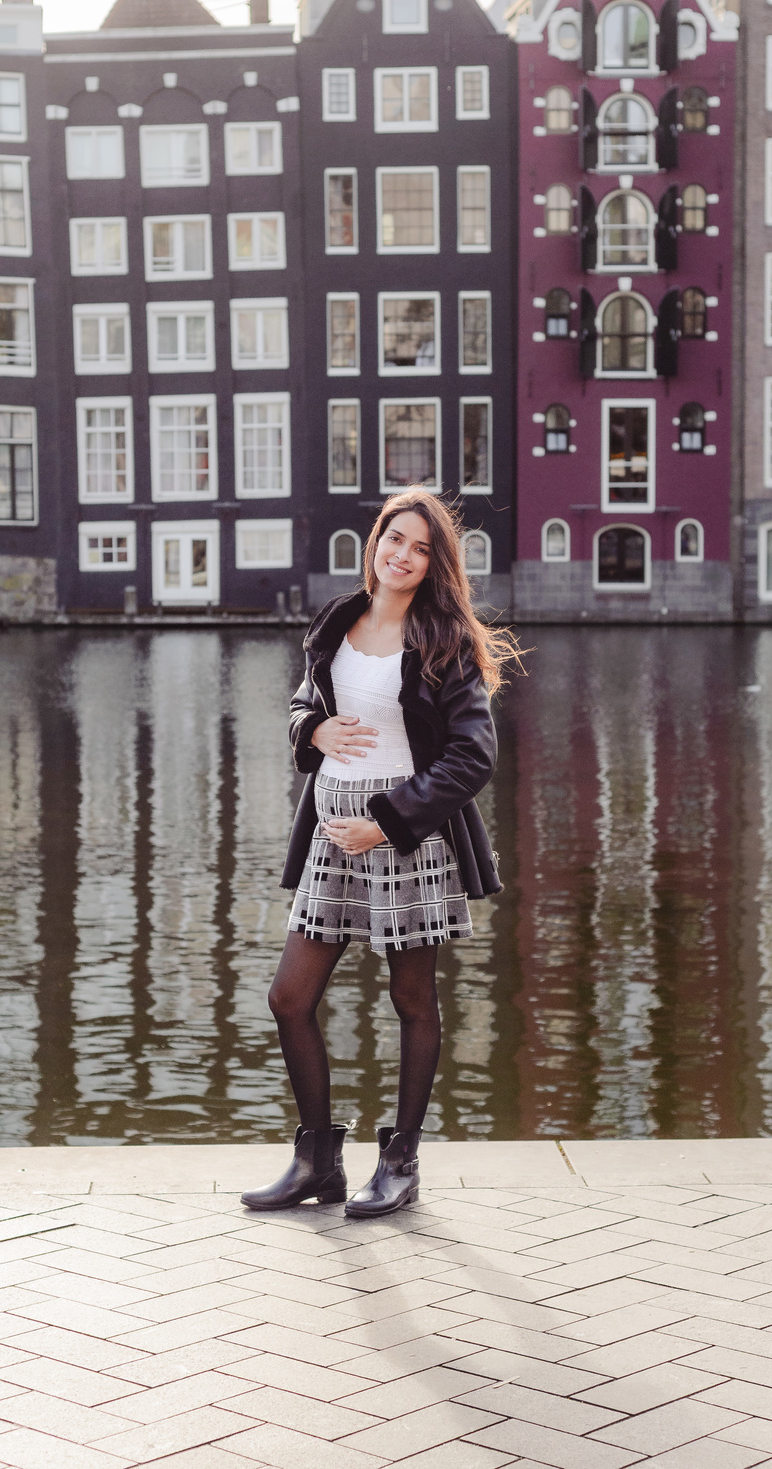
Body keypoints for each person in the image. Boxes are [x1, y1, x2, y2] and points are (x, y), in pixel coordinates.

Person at [242, 489, 518, 1218]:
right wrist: (312, 732)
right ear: (376, 541)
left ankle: (400, 1163)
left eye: (420, 547)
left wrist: (388, 820)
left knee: (411, 997)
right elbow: (306, 701)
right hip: (332, 833)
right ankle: (316, 1162)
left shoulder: (443, 640)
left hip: (405, 835)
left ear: (435, 564)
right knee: (289, 996)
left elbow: (473, 756)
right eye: (394, 538)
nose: (402, 554)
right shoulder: (338, 619)